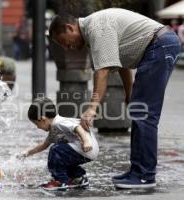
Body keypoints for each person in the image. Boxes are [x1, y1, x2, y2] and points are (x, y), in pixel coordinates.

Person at [48, 8, 181, 189]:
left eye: (64, 42)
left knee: (144, 116)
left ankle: (144, 176)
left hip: (159, 46)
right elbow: (121, 64)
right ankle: (138, 171)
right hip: (158, 47)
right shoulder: (93, 32)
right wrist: (129, 93)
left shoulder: (96, 27)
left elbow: (102, 72)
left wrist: (92, 108)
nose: (67, 47)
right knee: (140, 113)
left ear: (69, 28)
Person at [19, 97, 99, 191]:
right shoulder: (54, 129)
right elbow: (43, 145)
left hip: (86, 147)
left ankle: (60, 181)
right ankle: (79, 178)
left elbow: (78, 127)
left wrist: (86, 142)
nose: (37, 127)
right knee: (63, 159)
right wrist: (26, 153)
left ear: (43, 119)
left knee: (55, 150)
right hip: (87, 150)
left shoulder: (58, 123)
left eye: (37, 124)